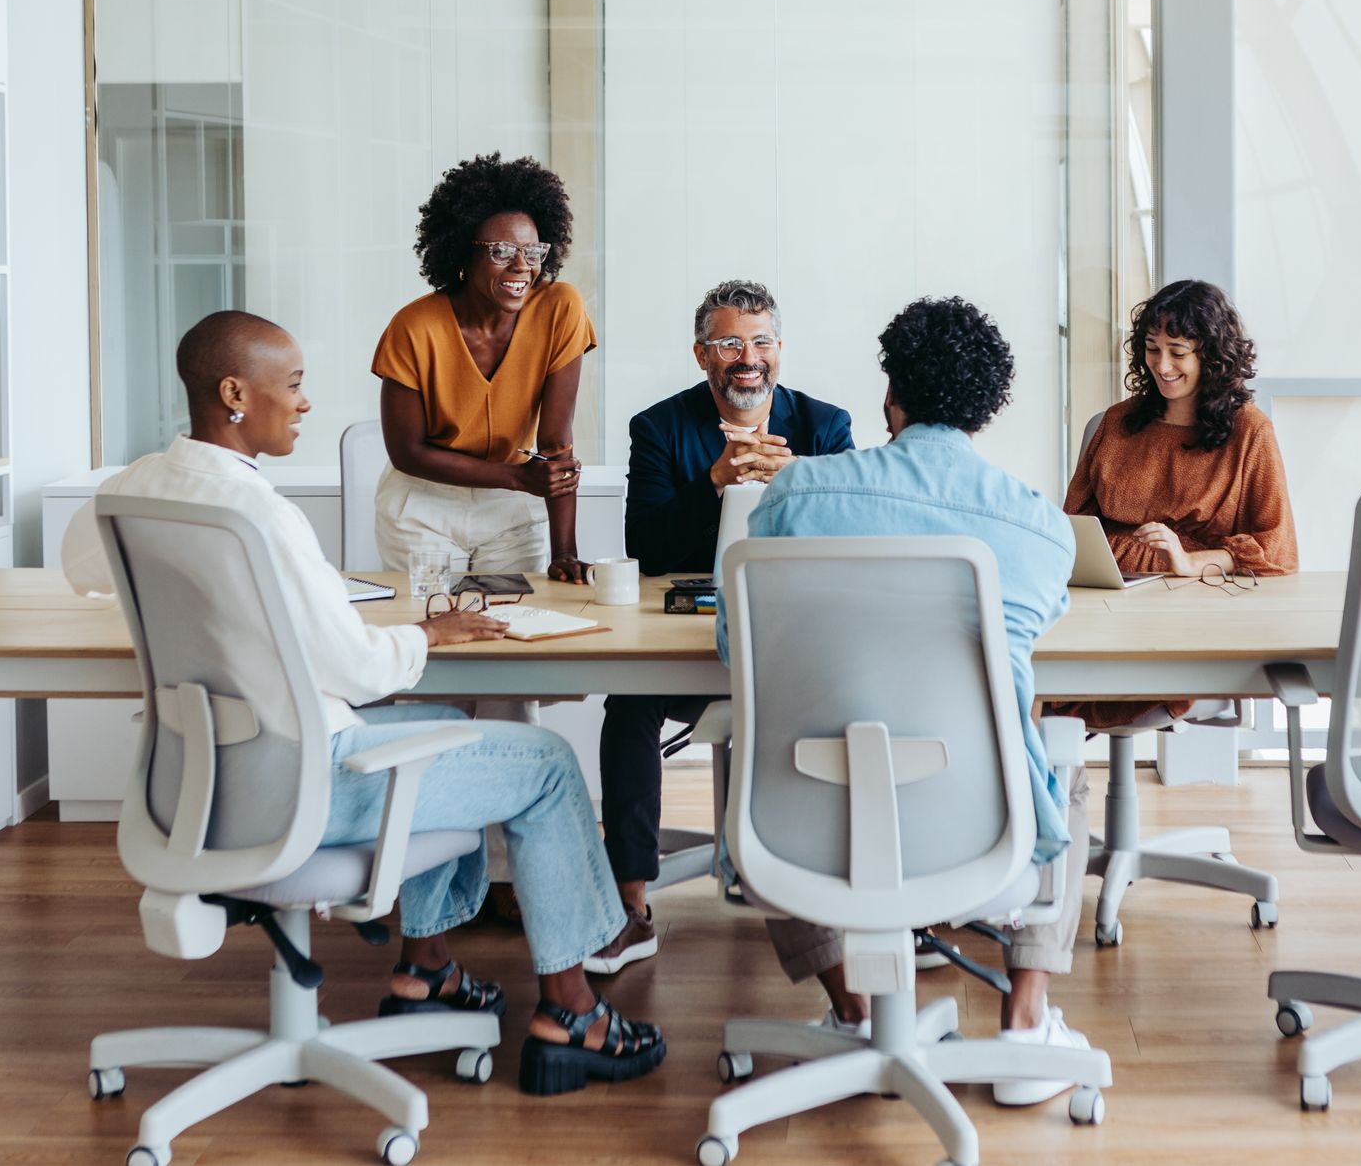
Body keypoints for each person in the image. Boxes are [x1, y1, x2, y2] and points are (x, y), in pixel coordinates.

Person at [62, 311, 663, 1096]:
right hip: (305, 784)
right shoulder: (266, 516)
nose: (306, 403)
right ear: (236, 392)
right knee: (546, 765)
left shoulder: (137, 485)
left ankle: (428, 968)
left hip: (195, 786)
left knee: (444, 727)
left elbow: (81, 566)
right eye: (295, 385)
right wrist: (431, 632)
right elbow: (356, 668)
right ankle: (570, 1012)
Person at [715, 296, 1096, 1107]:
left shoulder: (792, 497)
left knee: (772, 742)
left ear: (893, 397)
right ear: (985, 411)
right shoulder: (1038, 528)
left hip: (799, 839)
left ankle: (851, 1011)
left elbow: (732, 652)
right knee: (1060, 749)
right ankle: (1026, 1021)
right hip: (978, 839)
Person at [584, 280, 854, 975]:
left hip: (795, 645)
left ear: (780, 350)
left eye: (761, 341)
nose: (748, 357)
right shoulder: (659, 427)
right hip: (691, 637)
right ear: (702, 353)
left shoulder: (826, 426)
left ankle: (852, 895)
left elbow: (852, 539)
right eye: (731, 342)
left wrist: (803, 485)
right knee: (629, 703)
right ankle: (630, 902)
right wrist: (712, 480)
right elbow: (645, 544)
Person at [372, 154, 594, 725]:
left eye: (534, 250)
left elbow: (557, 443)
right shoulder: (414, 326)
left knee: (508, 651)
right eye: (501, 250)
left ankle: (510, 796)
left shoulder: (559, 308)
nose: (522, 265)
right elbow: (408, 451)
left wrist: (565, 549)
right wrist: (518, 476)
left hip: (508, 512)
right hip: (423, 508)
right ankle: (423, 802)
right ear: (462, 254)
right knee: (435, 657)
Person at [1054, 279, 1297, 729]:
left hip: (1193, 609)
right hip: (1108, 600)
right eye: (1152, 348)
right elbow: (1072, 524)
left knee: (1055, 697)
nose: (1162, 365)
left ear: (1211, 353)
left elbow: (1278, 552)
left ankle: (1052, 777)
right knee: (1032, 673)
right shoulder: (1118, 422)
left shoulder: (1249, 432)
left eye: (1177, 351)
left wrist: (1188, 561)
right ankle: (1053, 786)